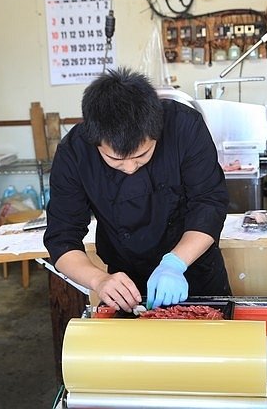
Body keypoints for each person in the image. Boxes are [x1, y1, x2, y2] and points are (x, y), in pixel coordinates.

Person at [44, 67, 231, 313]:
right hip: (124, 286)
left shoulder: (184, 127)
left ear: (156, 131)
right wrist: (99, 280)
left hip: (194, 271)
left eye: (142, 155)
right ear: (95, 141)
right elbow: (62, 238)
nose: (131, 168)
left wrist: (175, 264)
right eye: (116, 161)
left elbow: (209, 203)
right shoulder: (75, 153)